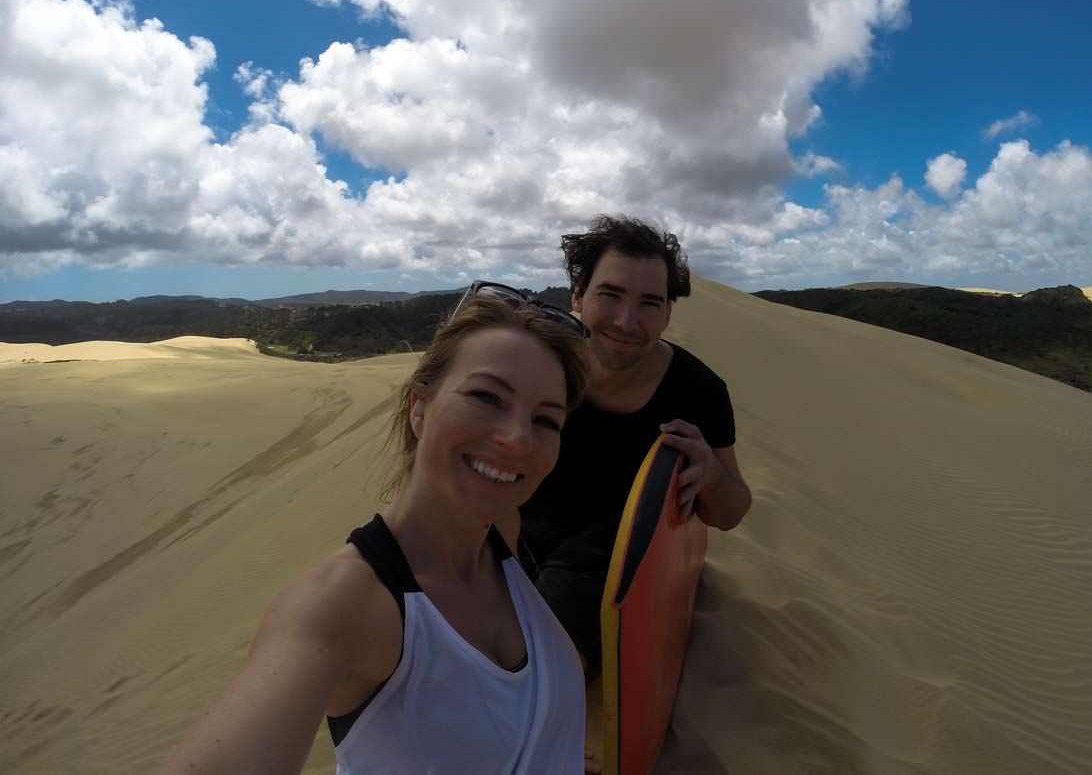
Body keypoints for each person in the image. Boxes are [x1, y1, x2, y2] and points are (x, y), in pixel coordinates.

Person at [158, 293, 591, 775]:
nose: (519, 439)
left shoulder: (499, 534)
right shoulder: (342, 605)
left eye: (545, 420)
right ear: (419, 408)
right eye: (487, 397)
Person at [517, 215, 752, 673]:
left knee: (535, 667)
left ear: (666, 313)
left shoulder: (698, 391)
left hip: (609, 566)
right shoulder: (541, 364)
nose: (627, 321)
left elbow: (731, 513)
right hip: (512, 534)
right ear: (578, 297)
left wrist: (710, 475)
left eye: (649, 303)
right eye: (610, 295)